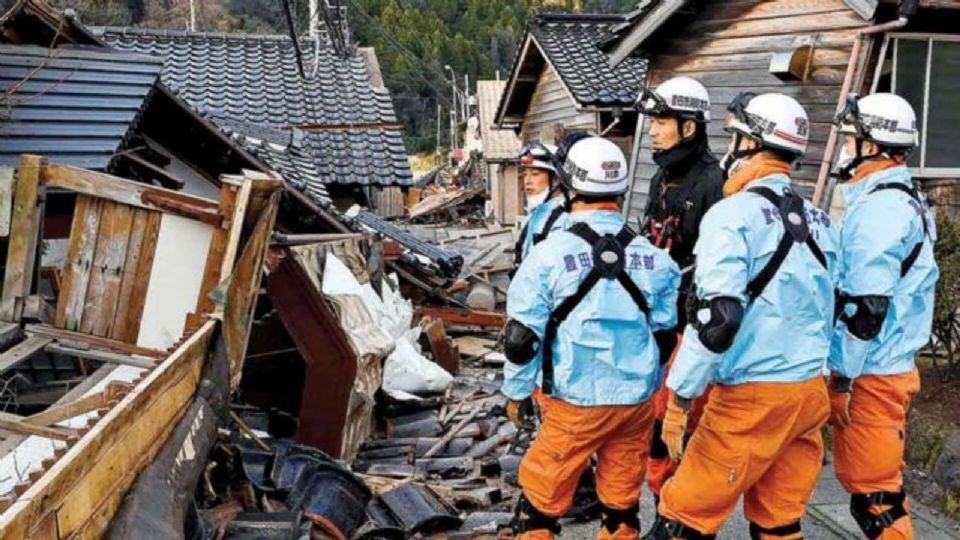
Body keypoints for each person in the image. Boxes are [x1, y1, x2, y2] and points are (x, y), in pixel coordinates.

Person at [646, 92, 838, 540]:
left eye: (734, 137)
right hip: (809, 392)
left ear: (748, 144)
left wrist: (680, 398)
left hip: (752, 396)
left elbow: (717, 319)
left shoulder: (731, 215)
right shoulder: (821, 221)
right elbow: (841, 308)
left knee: (682, 518)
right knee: (779, 521)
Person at [502, 136, 681, 539]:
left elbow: (520, 338)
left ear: (568, 185)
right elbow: (665, 338)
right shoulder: (655, 259)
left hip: (575, 400)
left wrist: (516, 393)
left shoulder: (548, 256)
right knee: (620, 506)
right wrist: (650, 388)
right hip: (635, 403)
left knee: (541, 503)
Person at [828, 93, 939, 540]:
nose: (844, 147)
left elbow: (865, 308)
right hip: (887, 364)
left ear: (871, 145)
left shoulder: (880, 208)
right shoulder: (901, 197)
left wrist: (840, 378)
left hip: (871, 372)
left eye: (850, 138)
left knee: (876, 499)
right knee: (876, 488)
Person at [635, 75, 724, 504]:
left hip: (690, 329)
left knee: (675, 432)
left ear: (689, 127)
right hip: (656, 323)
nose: (653, 129)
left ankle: (679, 516)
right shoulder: (660, 178)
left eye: (662, 121)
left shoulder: (714, 184)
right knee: (652, 433)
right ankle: (665, 508)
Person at [513, 143, 566, 275]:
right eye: (525, 174)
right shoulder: (535, 214)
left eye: (535, 174)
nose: (527, 181)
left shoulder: (563, 221)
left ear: (556, 180)